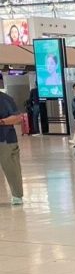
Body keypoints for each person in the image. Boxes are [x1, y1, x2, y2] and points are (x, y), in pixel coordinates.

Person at [0, 75, 24, 206]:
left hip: (5, 140)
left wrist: (2, 121)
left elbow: (17, 118)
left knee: (11, 168)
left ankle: (17, 195)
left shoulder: (5, 99)